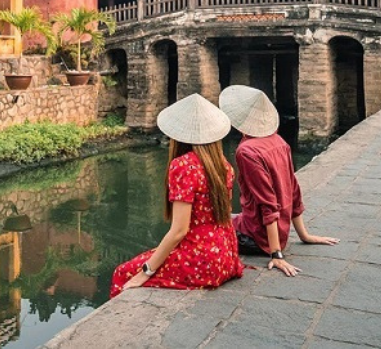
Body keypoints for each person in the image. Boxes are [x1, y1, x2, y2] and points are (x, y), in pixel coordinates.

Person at [110, 94, 244, 297]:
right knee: (152, 255)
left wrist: (146, 272)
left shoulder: (183, 166)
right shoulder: (223, 165)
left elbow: (179, 230)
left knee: (123, 273)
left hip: (202, 261)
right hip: (227, 256)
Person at [219, 85, 339, 277]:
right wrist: (303, 235)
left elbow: (267, 203)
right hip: (271, 230)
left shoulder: (247, 152)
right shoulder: (279, 142)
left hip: (256, 237)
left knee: (205, 226)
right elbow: (293, 190)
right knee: (228, 216)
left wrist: (276, 254)